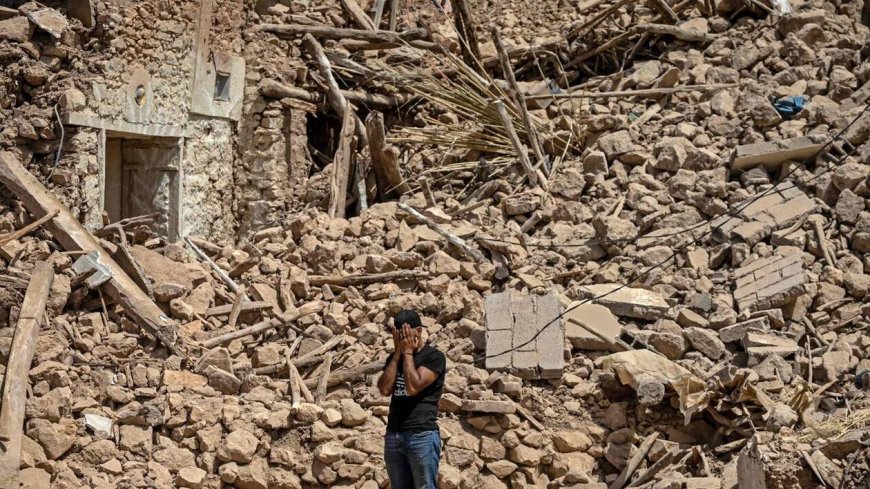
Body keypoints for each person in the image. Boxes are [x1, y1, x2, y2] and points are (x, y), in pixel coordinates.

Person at [377, 310, 447, 489]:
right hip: (394, 434)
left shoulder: (434, 357)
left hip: (421, 435)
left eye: (407, 334)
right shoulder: (394, 358)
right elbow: (384, 389)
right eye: (400, 335)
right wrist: (397, 354)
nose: (404, 339)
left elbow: (413, 386)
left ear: (419, 332)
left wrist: (407, 354)